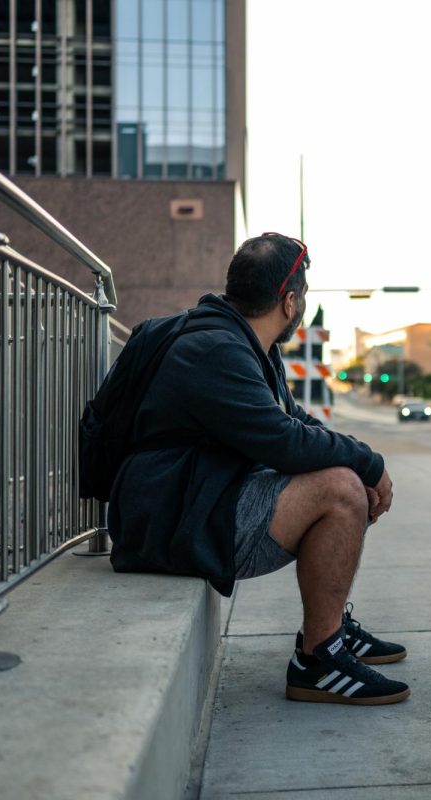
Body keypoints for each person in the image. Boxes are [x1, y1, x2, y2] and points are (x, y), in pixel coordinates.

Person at [107, 232, 409, 705]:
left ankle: (327, 633)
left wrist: (358, 453)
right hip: (170, 518)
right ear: (289, 302)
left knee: (344, 476)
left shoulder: (246, 344)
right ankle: (319, 660)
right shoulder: (216, 351)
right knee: (340, 490)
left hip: (191, 498)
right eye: (303, 298)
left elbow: (293, 422)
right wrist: (366, 464)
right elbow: (285, 444)